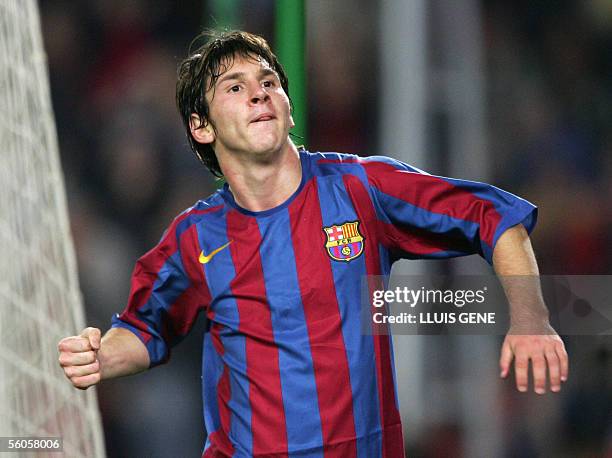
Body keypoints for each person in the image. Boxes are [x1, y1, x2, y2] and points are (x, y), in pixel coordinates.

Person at [58, 30, 568, 457]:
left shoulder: (360, 188)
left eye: (269, 82)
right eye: (234, 87)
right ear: (201, 126)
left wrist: (531, 319)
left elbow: (494, 216)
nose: (259, 94)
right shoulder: (194, 239)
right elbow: (144, 330)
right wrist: (100, 357)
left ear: (288, 108)